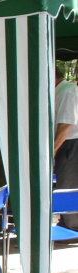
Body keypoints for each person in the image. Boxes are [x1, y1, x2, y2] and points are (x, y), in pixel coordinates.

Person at [53, 66, 78, 232]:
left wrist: (52, 150)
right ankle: (67, 223)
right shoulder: (62, 90)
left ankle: (71, 228)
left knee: (67, 184)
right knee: (65, 183)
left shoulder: (66, 91)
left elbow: (64, 126)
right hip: (66, 143)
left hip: (69, 143)